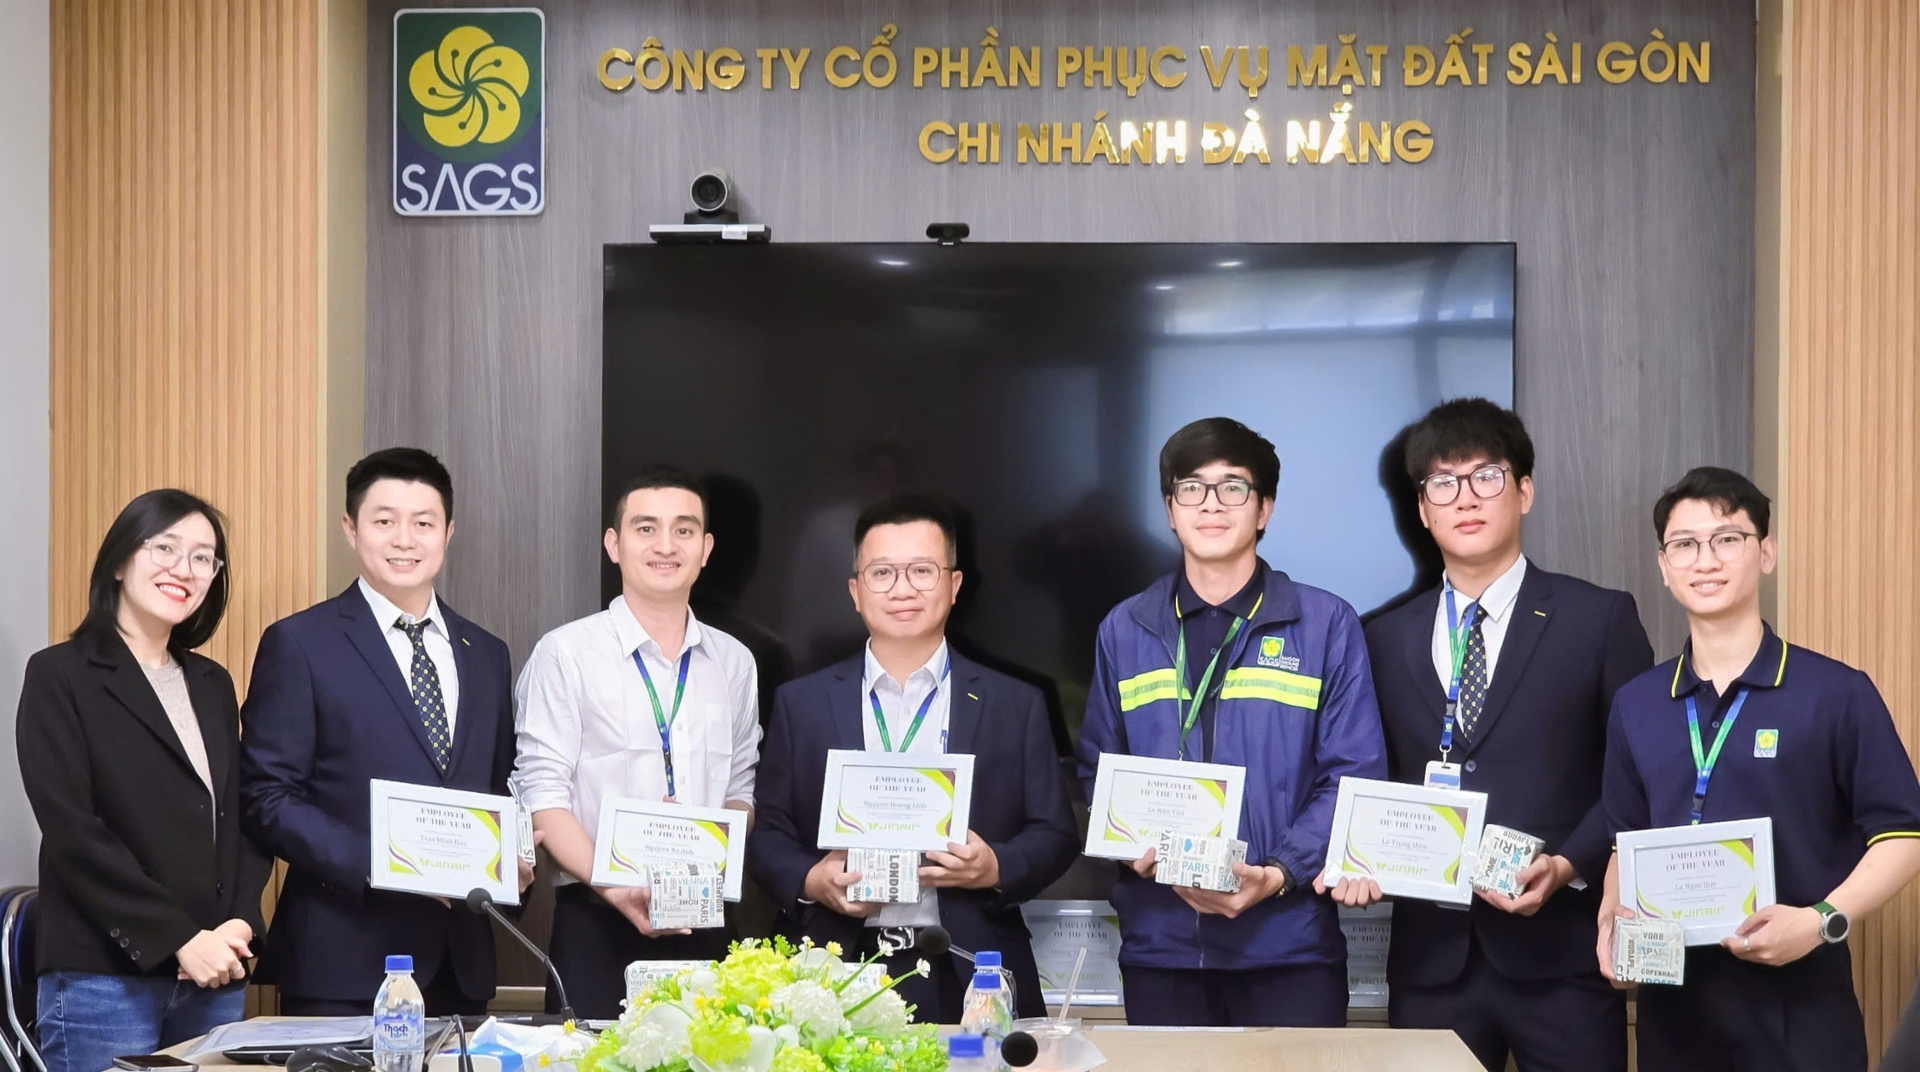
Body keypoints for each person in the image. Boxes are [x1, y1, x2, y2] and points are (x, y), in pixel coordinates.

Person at [1337, 399, 1651, 1071]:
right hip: (1431, 962)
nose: (1465, 497)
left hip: (1562, 958)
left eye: (1487, 476)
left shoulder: (1598, 620)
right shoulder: (1380, 638)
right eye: (1443, 483)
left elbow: (1639, 778)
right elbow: (1367, 773)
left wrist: (1567, 864)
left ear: (1525, 491)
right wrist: (1357, 854)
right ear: (1423, 510)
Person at [1598, 467, 1920, 1071]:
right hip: (1675, 1013)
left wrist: (1821, 921)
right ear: (1664, 566)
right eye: (1684, 544)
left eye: (1727, 539)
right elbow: (1623, 839)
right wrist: (1608, 918)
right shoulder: (1636, 704)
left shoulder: (1836, 693)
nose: (1705, 560)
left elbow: (1904, 836)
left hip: (1801, 1009)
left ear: (1766, 552)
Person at [1076, 417, 1387, 1027]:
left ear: (1264, 508)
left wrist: (1277, 874)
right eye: (1191, 488)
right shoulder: (1124, 628)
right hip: (1162, 947)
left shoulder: (1326, 624)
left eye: (1233, 487)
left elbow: (1353, 775)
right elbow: (1097, 771)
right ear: (1170, 510)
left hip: (1290, 948)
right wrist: (1132, 848)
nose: (1211, 504)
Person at [749, 495, 1078, 1022]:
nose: (902, 589)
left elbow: (1056, 833)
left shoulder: (1015, 703)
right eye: (882, 573)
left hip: (969, 966)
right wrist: (812, 880)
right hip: (834, 967)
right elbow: (768, 834)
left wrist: (994, 867)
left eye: (922, 571)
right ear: (856, 591)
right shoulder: (801, 703)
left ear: (954, 584)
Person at [240, 448, 532, 1016]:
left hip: (459, 964)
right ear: (351, 529)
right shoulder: (300, 643)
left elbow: (498, 786)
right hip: (343, 962)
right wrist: (388, 864)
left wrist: (513, 859)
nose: (404, 539)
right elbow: (266, 798)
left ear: (448, 532)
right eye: (384, 521)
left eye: (423, 523)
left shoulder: (486, 653)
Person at [16, 489, 270, 1072]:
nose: (184, 569)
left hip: (213, 972)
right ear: (119, 560)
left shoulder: (212, 683)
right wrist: (179, 939)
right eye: (166, 548)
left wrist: (239, 922)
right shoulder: (59, 674)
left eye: (203, 557)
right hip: (103, 979)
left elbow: (237, 816)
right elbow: (73, 831)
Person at [512, 467, 763, 1018]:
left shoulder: (735, 663)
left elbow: (742, 791)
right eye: (646, 528)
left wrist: (703, 842)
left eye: (684, 530)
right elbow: (542, 796)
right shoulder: (566, 654)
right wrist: (615, 884)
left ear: (706, 549)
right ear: (614, 545)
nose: (665, 545)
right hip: (595, 919)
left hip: (705, 916)